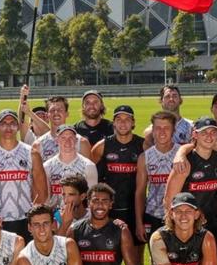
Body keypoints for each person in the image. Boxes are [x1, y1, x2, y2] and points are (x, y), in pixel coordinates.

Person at [0, 109, 48, 242]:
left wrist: (32, 216)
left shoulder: (31, 154)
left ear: (18, 127)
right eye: (4, 123)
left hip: (25, 220)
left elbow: (42, 192)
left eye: (12, 123)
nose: (8, 127)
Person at [91, 105, 144, 246]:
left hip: (134, 210)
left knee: (136, 257)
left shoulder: (143, 145)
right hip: (109, 210)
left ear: (133, 122)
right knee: (109, 252)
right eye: (119, 119)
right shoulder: (101, 146)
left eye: (127, 119)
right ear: (113, 122)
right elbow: (89, 175)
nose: (123, 123)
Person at [164, 116, 217, 242]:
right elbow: (168, 200)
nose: (209, 136)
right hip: (188, 225)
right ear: (195, 134)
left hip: (213, 223)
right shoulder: (185, 162)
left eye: (213, 132)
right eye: (204, 132)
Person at [136, 111, 179, 245]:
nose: (162, 132)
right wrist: (139, 222)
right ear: (152, 130)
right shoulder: (145, 157)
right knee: (156, 261)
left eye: (166, 128)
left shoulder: (182, 154)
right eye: (158, 128)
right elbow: (140, 192)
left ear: (173, 130)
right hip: (153, 215)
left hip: (178, 215)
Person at [43, 125, 97, 211]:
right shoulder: (47, 166)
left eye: (71, 137)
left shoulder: (88, 165)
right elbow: (46, 198)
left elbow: (92, 198)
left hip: (80, 218)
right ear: (57, 141)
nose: (67, 141)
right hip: (56, 217)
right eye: (63, 138)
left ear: (76, 140)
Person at [33, 96, 91, 162]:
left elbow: (89, 170)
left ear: (67, 114)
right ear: (47, 115)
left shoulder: (81, 143)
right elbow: (36, 171)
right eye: (52, 110)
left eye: (60, 110)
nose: (56, 113)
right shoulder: (38, 145)